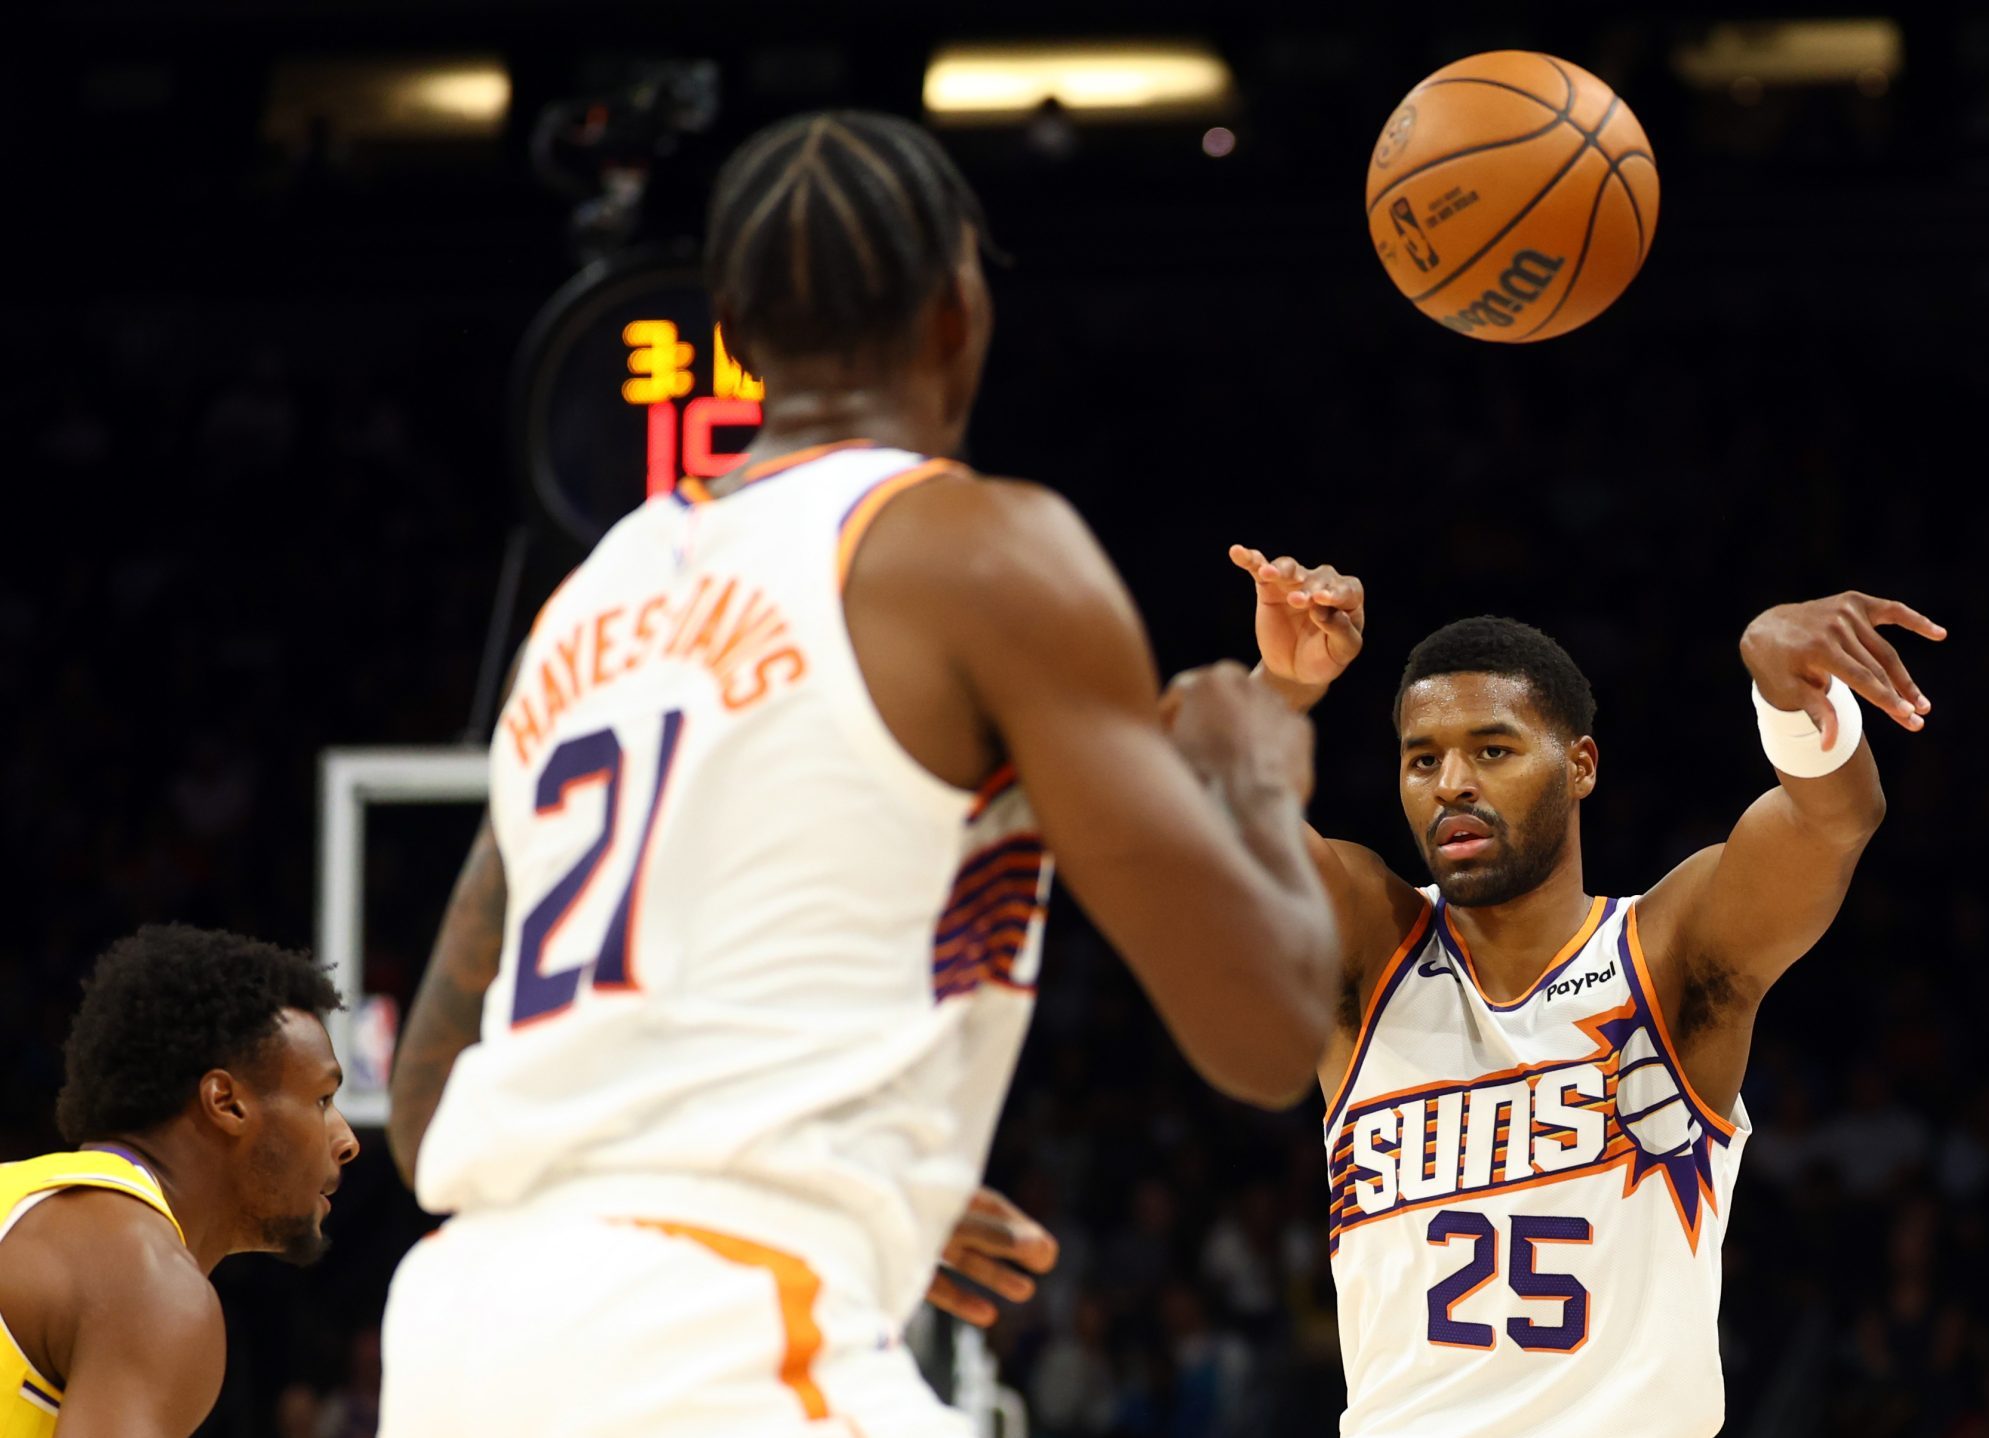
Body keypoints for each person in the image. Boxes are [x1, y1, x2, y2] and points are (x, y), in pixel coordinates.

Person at [377, 110, 1339, 1437]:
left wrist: (843, 1170)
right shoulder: (976, 549)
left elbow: (425, 1118)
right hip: (716, 1333)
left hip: (461, 1338)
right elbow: (1273, 1032)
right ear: (959, 308)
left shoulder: (592, 597)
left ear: (727, 325)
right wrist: (1258, 768)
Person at [1226, 544, 1944, 1437]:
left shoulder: (1670, 954)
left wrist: (1787, 691)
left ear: (1581, 766)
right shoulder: (1370, 950)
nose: (1452, 783)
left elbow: (1833, 822)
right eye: (1422, 760)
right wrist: (1279, 688)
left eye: (1493, 749)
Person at [0, 924, 359, 1437]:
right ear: (226, 1103)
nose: (347, 1139)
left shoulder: (18, 1195)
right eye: (322, 1100)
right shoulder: (151, 1286)